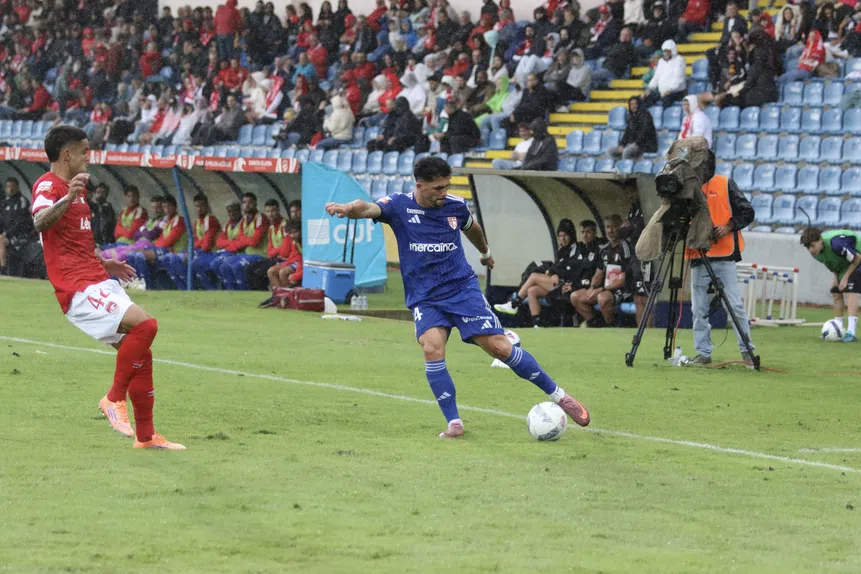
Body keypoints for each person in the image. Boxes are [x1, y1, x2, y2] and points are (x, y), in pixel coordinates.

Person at [324, 157, 590, 438]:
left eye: (447, 186)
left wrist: (485, 253)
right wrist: (347, 208)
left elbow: (472, 228)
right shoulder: (399, 206)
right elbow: (366, 208)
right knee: (431, 347)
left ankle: (560, 396)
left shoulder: (456, 206)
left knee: (498, 348)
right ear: (420, 185)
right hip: (425, 297)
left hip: (461, 289)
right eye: (438, 188)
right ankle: (454, 422)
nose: (444, 192)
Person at [30, 125, 183, 449]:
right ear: (66, 154)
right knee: (146, 326)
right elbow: (40, 221)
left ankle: (146, 437)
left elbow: (76, 240)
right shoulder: (48, 185)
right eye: (85, 150)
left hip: (96, 277)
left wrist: (104, 263)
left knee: (141, 353)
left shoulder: (78, 189)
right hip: (77, 287)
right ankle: (113, 399)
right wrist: (67, 196)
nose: (90, 156)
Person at [685, 148, 756, 366]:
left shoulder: (726, 184)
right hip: (699, 254)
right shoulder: (688, 188)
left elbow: (747, 212)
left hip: (725, 255)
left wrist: (728, 226)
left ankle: (747, 351)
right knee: (698, 309)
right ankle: (704, 353)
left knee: (734, 305)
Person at [493, 219, 579, 326]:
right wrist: (552, 272)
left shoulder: (576, 249)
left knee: (534, 276)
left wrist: (555, 273)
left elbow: (571, 269)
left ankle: (514, 304)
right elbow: (557, 267)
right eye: (560, 236)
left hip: (565, 285)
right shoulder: (562, 250)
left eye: (565, 235)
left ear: (571, 235)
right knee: (532, 290)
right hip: (556, 284)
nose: (563, 238)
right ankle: (537, 324)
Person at [570, 215, 633, 328]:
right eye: (608, 227)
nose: (610, 230)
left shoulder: (625, 247)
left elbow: (623, 279)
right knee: (575, 296)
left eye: (614, 227)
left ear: (620, 227)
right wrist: (592, 287)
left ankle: (611, 327)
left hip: (622, 290)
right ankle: (596, 323)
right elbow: (598, 274)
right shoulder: (604, 249)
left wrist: (602, 289)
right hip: (605, 289)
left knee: (602, 298)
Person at [801, 227, 861, 343]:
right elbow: (832, 262)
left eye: (813, 246)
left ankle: (851, 332)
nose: (811, 250)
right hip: (846, 263)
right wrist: (836, 278)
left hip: (858, 256)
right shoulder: (815, 253)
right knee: (835, 291)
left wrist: (845, 277)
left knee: (849, 289)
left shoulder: (836, 244)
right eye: (808, 247)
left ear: (820, 240)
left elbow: (857, 258)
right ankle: (839, 328)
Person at [161, 194, 221, 290]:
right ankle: (182, 287)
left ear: (207, 206)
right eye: (197, 206)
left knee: (176, 259)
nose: (199, 209)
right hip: (197, 250)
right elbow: (193, 241)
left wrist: (198, 243)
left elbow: (206, 245)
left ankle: (192, 288)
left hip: (209, 253)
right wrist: (199, 243)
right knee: (167, 259)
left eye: (202, 205)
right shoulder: (197, 221)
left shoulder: (210, 220)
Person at [218, 192, 269, 290]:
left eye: (250, 202)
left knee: (237, 267)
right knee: (224, 266)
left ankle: (244, 292)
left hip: (260, 255)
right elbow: (240, 240)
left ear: (256, 203)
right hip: (246, 254)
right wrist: (245, 241)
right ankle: (232, 294)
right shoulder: (244, 219)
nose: (247, 205)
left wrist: (244, 241)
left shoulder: (261, 218)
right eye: (245, 202)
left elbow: (254, 241)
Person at [192, 200, 242, 290]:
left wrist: (228, 244)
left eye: (235, 210)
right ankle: (211, 290)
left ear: (240, 210)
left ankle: (230, 290)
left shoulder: (244, 223)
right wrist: (231, 243)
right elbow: (219, 242)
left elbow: (241, 243)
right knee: (196, 263)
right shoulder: (227, 224)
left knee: (216, 264)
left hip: (235, 253)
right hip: (224, 251)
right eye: (230, 211)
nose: (233, 213)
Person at [0, 177, 43, 278]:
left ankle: (2, 271)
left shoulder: (22, 201)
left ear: (18, 187)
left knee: (1, 240)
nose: (10, 189)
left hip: (20, 236)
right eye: (8, 186)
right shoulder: (5, 202)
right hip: (6, 234)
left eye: (12, 186)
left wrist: (6, 234)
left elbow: (21, 222)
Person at [643, 39, 687, 108]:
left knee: (666, 100)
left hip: (676, 92)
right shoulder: (661, 61)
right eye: (665, 51)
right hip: (662, 93)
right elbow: (656, 77)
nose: (666, 53)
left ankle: (665, 117)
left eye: (668, 51)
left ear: (673, 51)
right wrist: (649, 89)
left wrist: (670, 90)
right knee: (646, 98)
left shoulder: (679, 60)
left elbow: (679, 79)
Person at [89, 182, 117, 247]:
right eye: (98, 192)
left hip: (106, 242)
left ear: (106, 195)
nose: (101, 195)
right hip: (91, 241)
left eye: (103, 193)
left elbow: (112, 225)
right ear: (94, 193)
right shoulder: (88, 206)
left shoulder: (109, 208)